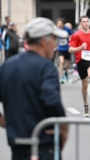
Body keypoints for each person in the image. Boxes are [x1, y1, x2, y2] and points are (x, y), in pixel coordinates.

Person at [0, 17, 69, 160]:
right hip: (43, 144)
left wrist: (5, 121)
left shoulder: (7, 66)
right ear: (44, 40)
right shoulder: (46, 67)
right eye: (54, 39)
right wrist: (63, 128)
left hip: (17, 144)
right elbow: (52, 101)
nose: (55, 44)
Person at [69, 15, 90, 116]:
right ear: (80, 23)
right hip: (80, 60)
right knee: (84, 84)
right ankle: (86, 106)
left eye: (87, 21)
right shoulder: (76, 35)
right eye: (83, 22)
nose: (86, 23)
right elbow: (70, 49)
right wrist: (80, 48)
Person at [56, 18, 73, 84]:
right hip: (60, 48)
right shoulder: (56, 30)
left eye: (60, 24)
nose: (59, 25)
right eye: (58, 24)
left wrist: (66, 36)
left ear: (63, 24)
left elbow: (72, 35)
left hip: (67, 48)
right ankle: (62, 77)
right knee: (62, 61)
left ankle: (66, 72)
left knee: (67, 64)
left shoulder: (67, 29)